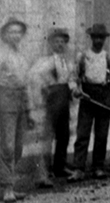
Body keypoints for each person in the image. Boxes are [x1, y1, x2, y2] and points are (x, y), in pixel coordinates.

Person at [70, 23, 110, 181]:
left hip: (104, 96)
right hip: (87, 96)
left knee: (101, 134)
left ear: (105, 39)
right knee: (83, 133)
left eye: (102, 37)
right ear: (91, 38)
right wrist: (76, 90)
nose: (98, 40)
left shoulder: (109, 58)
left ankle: (98, 167)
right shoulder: (82, 57)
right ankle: (79, 169)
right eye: (96, 37)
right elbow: (72, 78)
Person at [30, 27, 79, 186]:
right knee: (46, 138)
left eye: (62, 42)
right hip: (50, 101)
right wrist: (43, 92)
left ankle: (60, 167)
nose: (59, 44)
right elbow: (35, 78)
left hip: (64, 100)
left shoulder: (68, 62)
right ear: (50, 43)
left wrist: (74, 89)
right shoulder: (44, 61)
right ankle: (42, 173)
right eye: (56, 41)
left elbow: (71, 79)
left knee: (63, 135)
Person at [0, 18, 33, 203]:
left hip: (20, 101)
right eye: (11, 32)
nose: (15, 35)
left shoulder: (21, 55)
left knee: (18, 147)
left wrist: (28, 111)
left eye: (18, 32)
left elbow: (25, 82)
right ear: (5, 35)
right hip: (5, 99)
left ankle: (6, 183)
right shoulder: (1, 54)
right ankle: (7, 188)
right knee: (7, 146)